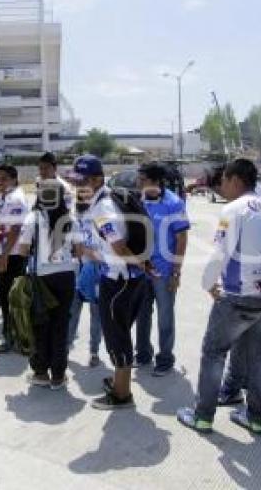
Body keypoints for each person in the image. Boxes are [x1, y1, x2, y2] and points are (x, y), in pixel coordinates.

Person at [177, 159, 261, 436]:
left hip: (239, 296)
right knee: (260, 353)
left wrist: (208, 284)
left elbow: (219, 253)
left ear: (235, 180)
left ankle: (203, 416)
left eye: (223, 180)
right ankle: (258, 418)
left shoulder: (234, 210)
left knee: (214, 353)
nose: (221, 186)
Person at [69, 154, 148, 410]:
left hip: (117, 279)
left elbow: (117, 245)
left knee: (117, 337)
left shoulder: (103, 209)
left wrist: (92, 254)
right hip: (127, 277)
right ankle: (118, 381)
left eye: (82, 181)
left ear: (97, 179)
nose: (77, 186)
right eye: (75, 181)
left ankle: (121, 394)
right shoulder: (106, 199)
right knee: (120, 331)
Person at [19, 179, 79, 390]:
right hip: (66, 277)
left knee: (40, 325)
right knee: (61, 325)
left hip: (41, 278)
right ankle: (59, 375)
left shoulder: (32, 218)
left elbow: (23, 250)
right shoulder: (70, 219)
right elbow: (79, 251)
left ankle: (41, 372)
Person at [135, 161, 190, 376]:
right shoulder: (140, 200)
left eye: (143, 180)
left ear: (156, 182)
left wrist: (176, 272)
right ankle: (143, 354)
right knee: (142, 314)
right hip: (142, 270)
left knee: (165, 316)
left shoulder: (174, 203)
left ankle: (165, 358)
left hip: (164, 271)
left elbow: (181, 238)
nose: (139, 183)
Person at [0, 163, 28, 353]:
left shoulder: (15, 198)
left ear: (14, 179)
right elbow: (4, 224)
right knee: (6, 297)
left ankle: (13, 338)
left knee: (9, 298)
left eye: (3, 178)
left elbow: (15, 229)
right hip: (7, 251)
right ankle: (13, 336)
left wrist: (4, 255)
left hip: (12, 255)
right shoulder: (3, 197)